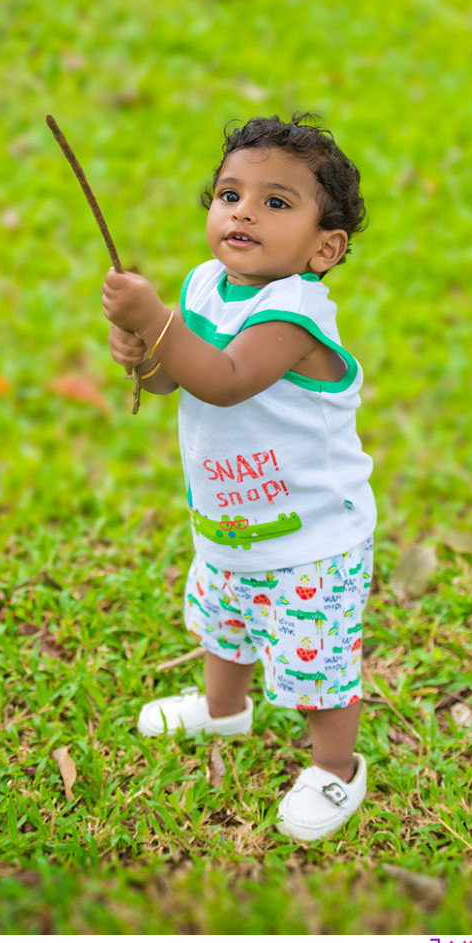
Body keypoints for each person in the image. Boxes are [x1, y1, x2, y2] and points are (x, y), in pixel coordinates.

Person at [102, 113, 377, 842]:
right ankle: (225, 711)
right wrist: (138, 347)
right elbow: (173, 382)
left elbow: (223, 380)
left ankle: (336, 768)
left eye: (276, 202)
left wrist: (156, 319)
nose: (244, 211)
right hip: (229, 522)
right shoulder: (203, 285)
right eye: (229, 195)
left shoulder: (295, 315)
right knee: (227, 624)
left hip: (312, 535)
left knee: (316, 665)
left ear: (325, 248)